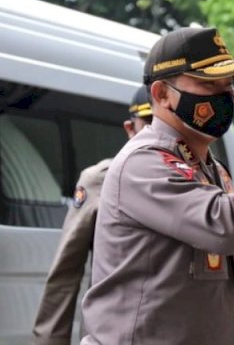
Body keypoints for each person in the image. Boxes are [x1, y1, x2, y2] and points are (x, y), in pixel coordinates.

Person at [80, 27, 234, 345]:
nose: (225, 96)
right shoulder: (144, 162)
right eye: (208, 84)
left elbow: (198, 271)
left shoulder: (211, 168)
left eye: (228, 85)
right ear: (161, 94)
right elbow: (223, 226)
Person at [32, 85, 152, 345]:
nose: (158, 133)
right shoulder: (102, 179)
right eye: (149, 123)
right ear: (130, 130)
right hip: (113, 334)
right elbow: (65, 272)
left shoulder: (197, 181)